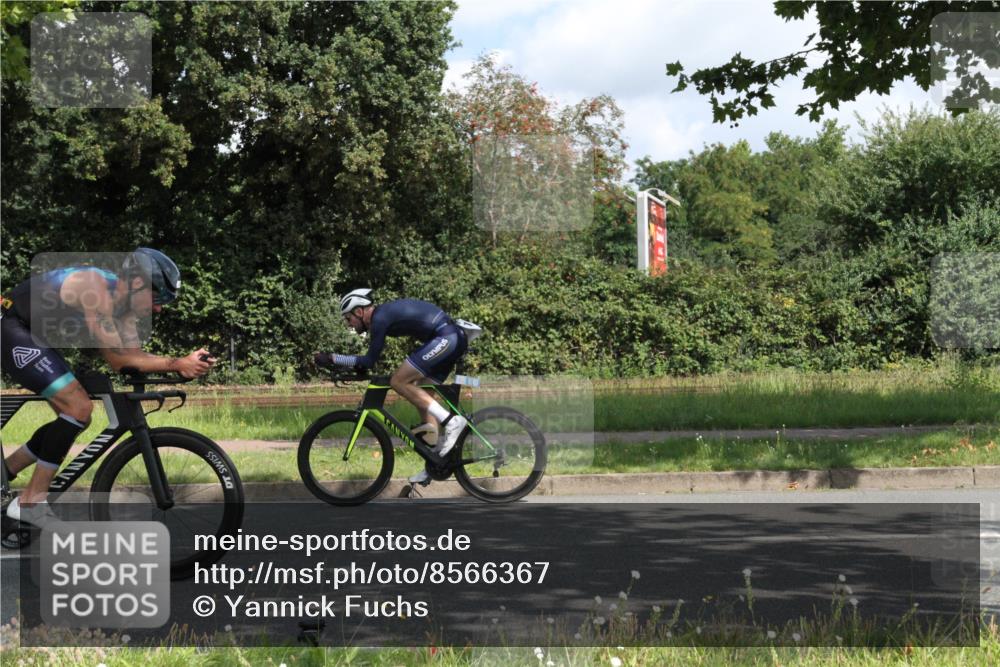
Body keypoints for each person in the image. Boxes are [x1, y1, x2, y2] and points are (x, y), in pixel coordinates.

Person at [1, 248, 215, 527]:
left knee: (75, 415)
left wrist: (183, 363)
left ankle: (6, 471)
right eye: (158, 297)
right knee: (77, 407)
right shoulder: (96, 291)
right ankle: (31, 502)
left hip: (30, 331)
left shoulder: (123, 307)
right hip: (11, 326)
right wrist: (176, 363)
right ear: (137, 283)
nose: (159, 308)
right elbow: (117, 358)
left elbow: (133, 358)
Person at [314, 289, 469, 485]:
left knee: (398, 381)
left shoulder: (379, 319)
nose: (349, 324)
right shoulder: (381, 318)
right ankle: (435, 462)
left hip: (446, 337)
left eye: (348, 318)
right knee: (423, 396)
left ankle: (452, 421)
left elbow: (369, 360)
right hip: (449, 337)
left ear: (360, 312)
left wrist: (333, 358)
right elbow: (369, 360)